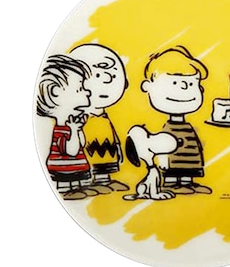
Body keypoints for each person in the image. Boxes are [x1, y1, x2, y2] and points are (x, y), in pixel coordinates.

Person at [140, 45, 212, 194]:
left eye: (191, 84)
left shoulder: (188, 128)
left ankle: (187, 182)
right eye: (174, 83)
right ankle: (170, 182)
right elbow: (163, 146)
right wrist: (163, 160)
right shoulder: (167, 129)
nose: (184, 88)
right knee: (171, 170)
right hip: (171, 161)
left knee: (188, 170)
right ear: (148, 87)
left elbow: (195, 145)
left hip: (190, 160)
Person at [70, 44, 129, 193]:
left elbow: (113, 133)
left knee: (106, 164)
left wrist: (118, 146)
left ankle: (104, 180)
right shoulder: (81, 119)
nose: (106, 81)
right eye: (97, 76)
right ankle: (90, 181)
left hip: (108, 147)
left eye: (113, 76)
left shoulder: (105, 117)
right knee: (91, 161)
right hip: (88, 148)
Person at [36, 54, 97, 200]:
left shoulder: (71, 126)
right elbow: (71, 150)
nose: (88, 92)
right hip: (63, 171)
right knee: (69, 188)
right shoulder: (61, 130)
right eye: (80, 88)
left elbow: (82, 144)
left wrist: (78, 130)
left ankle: (76, 190)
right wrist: (74, 130)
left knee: (79, 186)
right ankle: (70, 192)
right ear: (55, 92)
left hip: (76, 169)